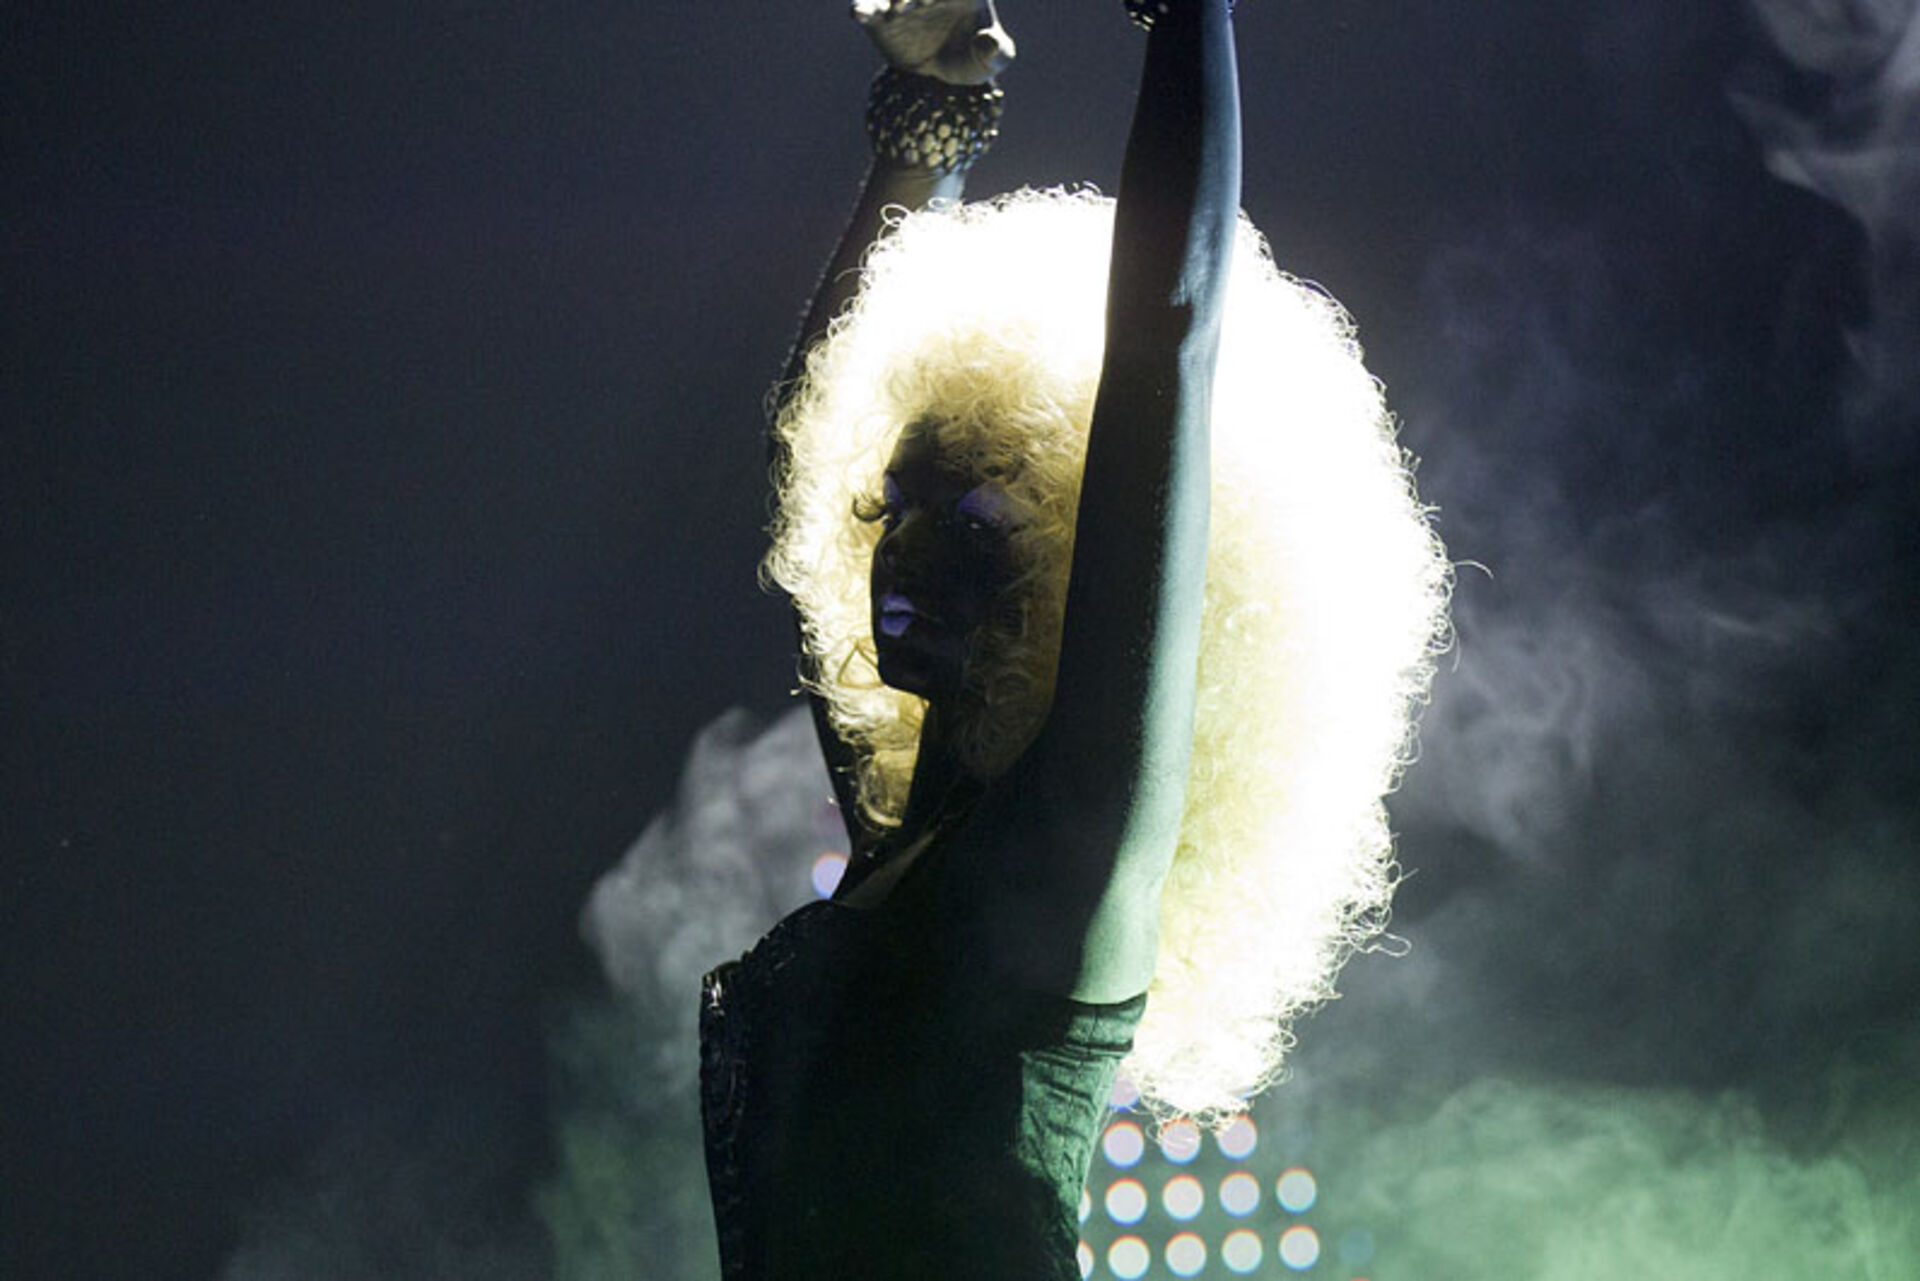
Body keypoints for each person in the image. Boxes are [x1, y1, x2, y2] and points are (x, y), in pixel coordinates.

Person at [700, 1, 1449, 1276]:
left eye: (971, 521)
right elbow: (808, 424)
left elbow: (1165, 339)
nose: (904, 549)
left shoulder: (1068, 841)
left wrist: (1187, 16)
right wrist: (932, 126)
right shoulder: (910, 840)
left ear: (1062, 569)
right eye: (894, 503)